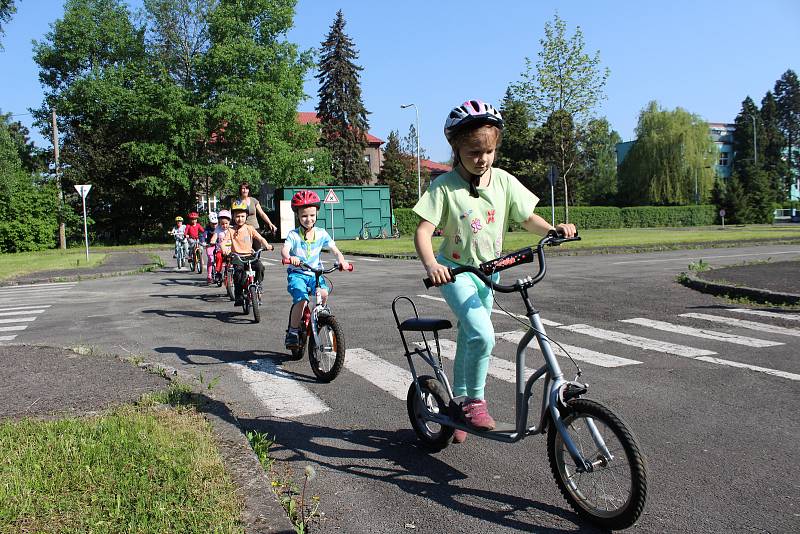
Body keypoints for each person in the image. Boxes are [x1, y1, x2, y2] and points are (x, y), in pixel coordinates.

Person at [413, 99, 576, 444]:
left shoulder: (501, 181)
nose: (482, 159)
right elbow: (423, 231)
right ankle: (475, 402)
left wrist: (551, 231)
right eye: (473, 152)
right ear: (456, 149)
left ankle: (459, 404)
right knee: (483, 334)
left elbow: (526, 217)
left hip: (491, 272)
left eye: (488, 151)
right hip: (457, 271)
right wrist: (433, 265)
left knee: (474, 337)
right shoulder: (444, 187)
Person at [281, 190, 350, 349]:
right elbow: (285, 250)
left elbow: (335, 249)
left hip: (315, 273)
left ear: (317, 213)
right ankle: (292, 331)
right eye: (304, 215)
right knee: (302, 299)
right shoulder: (293, 235)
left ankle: (317, 317)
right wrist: (290, 257)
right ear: (297, 215)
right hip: (297, 273)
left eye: (312, 215)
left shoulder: (321, 233)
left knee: (324, 293)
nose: (308, 219)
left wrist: (342, 260)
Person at [213, 201, 273, 306]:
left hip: (250, 255)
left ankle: (258, 284)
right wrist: (224, 250)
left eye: (242, 216)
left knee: (260, 267)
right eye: (237, 216)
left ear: (246, 216)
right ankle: (239, 295)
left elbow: (260, 238)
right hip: (237, 256)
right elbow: (223, 243)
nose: (240, 218)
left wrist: (267, 245)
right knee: (238, 274)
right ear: (233, 217)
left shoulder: (250, 228)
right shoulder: (231, 231)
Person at [202, 212, 219, 284]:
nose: (215, 225)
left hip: (218, 245)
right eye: (213, 223)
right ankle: (209, 276)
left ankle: (220, 274)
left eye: (216, 223)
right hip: (209, 245)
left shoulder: (219, 227)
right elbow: (203, 236)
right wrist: (203, 242)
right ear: (209, 223)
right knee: (211, 258)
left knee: (220, 258)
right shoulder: (207, 229)